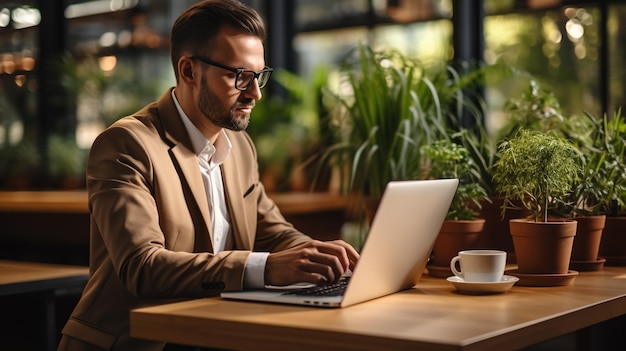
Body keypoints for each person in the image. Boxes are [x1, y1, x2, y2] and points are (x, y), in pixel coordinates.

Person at [57, 1, 359, 350]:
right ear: (189, 71)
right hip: (130, 342)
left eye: (259, 76)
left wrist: (322, 256)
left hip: (209, 335)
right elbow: (143, 266)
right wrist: (268, 269)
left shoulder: (240, 147)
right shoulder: (126, 144)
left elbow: (272, 232)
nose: (255, 93)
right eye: (240, 76)